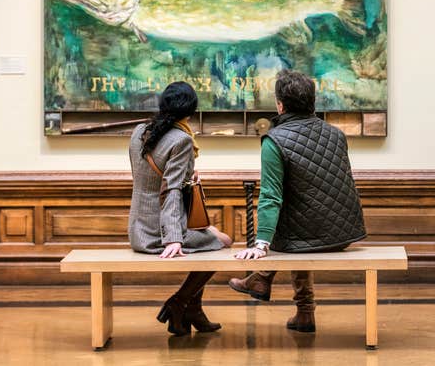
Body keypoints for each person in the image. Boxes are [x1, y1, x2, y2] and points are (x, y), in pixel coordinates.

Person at [230, 69, 366, 333]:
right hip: (345, 232)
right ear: (313, 100)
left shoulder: (274, 140)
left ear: (280, 105)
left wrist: (261, 244)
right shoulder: (336, 134)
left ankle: (261, 278)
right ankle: (303, 313)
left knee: (291, 228)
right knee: (299, 217)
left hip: (307, 237)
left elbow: (270, 194)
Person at [128, 81, 232, 336]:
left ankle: (190, 310)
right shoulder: (182, 139)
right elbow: (171, 191)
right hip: (159, 232)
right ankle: (181, 302)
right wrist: (173, 238)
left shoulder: (139, 130)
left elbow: (148, 179)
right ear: (190, 112)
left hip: (137, 227)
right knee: (224, 241)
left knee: (212, 233)